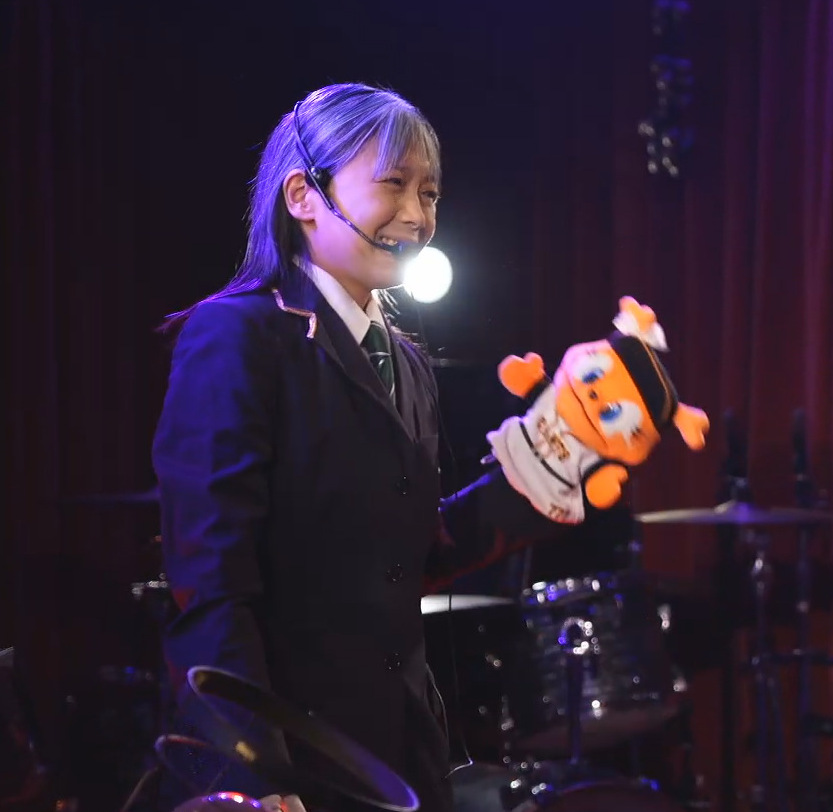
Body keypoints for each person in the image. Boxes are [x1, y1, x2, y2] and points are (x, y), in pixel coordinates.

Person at [152, 82, 559, 812]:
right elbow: (211, 583)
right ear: (303, 196)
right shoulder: (238, 337)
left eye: (429, 193)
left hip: (400, 755)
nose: (418, 216)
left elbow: (410, 555)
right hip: (288, 756)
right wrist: (255, 777)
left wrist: (544, 468)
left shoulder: (407, 361)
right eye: (393, 184)